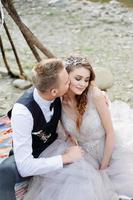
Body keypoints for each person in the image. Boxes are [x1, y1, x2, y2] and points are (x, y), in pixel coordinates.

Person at [23, 56, 129, 200]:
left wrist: (104, 167)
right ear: (66, 78)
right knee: (74, 184)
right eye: (77, 78)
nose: (82, 84)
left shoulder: (95, 95)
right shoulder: (58, 100)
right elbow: (65, 133)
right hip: (84, 153)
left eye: (86, 79)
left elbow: (110, 134)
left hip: (108, 149)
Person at [0, 58, 85, 200]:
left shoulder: (58, 91)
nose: (70, 82)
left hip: (55, 145)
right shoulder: (22, 112)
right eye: (66, 82)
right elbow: (25, 166)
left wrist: (100, 95)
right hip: (31, 155)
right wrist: (65, 158)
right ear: (53, 91)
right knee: (5, 171)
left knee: (81, 175)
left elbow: (85, 84)